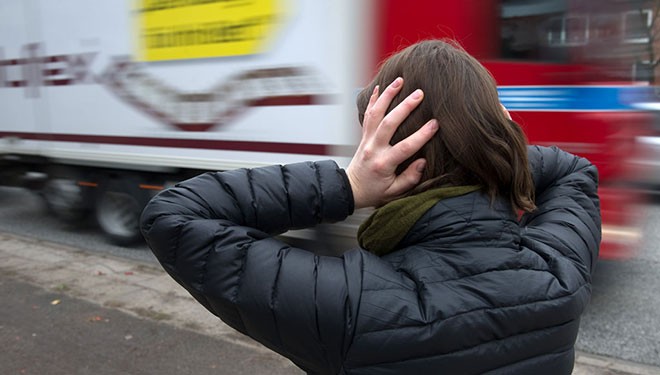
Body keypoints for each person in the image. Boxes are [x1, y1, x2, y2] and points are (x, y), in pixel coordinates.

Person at [140, 39, 600, 374]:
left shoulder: (350, 307)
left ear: (387, 154)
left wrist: (350, 185)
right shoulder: (558, 276)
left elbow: (175, 215)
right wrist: (490, 148)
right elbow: (574, 171)